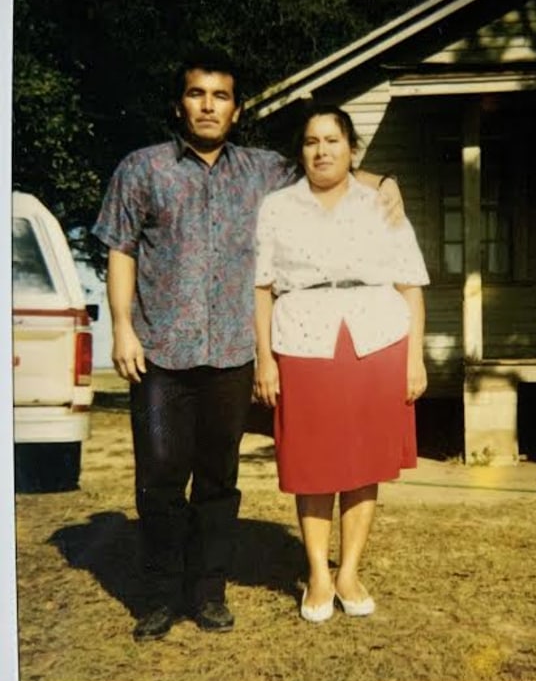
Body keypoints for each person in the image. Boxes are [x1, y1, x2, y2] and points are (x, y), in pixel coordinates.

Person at [92, 49, 403, 642]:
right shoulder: (142, 169)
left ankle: (208, 595)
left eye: (220, 96)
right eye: (196, 94)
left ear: (236, 109)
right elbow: (120, 249)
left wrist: (384, 180)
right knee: (159, 479)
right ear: (179, 103)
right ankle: (158, 598)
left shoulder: (261, 171)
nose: (208, 106)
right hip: (160, 352)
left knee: (218, 481)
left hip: (233, 353)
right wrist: (122, 327)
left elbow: (327, 169)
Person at [253, 104, 429, 623]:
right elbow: (261, 288)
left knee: (364, 463)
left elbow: (411, 286)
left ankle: (349, 570)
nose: (322, 150)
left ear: (352, 150)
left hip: (377, 338)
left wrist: (414, 357)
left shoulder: (381, 203)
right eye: (311, 141)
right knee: (312, 464)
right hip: (303, 338)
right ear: (301, 151)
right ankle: (318, 574)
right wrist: (265, 359)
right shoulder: (277, 207)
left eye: (333, 140)